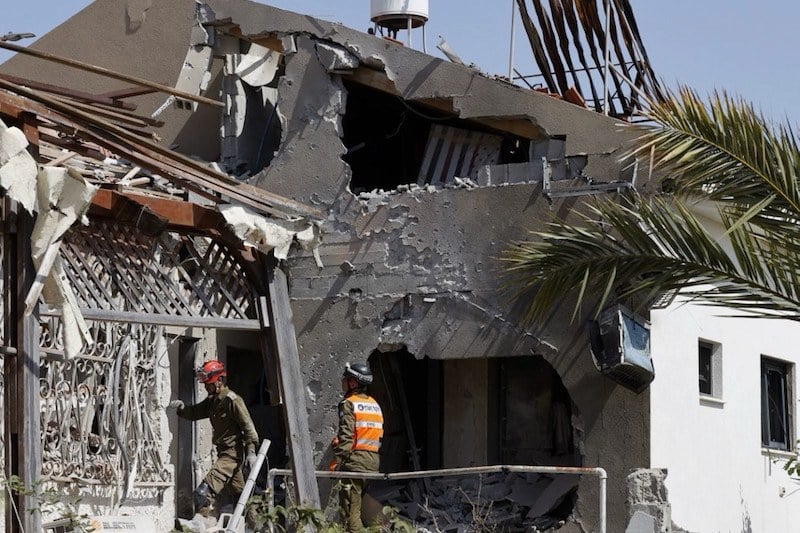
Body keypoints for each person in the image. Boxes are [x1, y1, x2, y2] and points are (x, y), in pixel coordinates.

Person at [168, 360, 259, 517]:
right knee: (242, 499)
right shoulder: (213, 401)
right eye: (205, 384)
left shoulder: (233, 401)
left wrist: (251, 452)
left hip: (232, 455)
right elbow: (196, 412)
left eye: (209, 384)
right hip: (222, 453)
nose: (206, 387)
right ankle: (256, 524)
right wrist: (182, 408)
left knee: (202, 494)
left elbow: (249, 428)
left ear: (220, 381)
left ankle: (200, 523)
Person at [331, 362, 384, 532]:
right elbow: (367, 434)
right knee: (359, 508)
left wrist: (336, 462)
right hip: (372, 463)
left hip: (355, 464)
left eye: (346, 379)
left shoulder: (348, 403)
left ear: (353, 383)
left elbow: (347, 438)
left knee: (350, 514)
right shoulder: (374, 404)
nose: (343, 382)